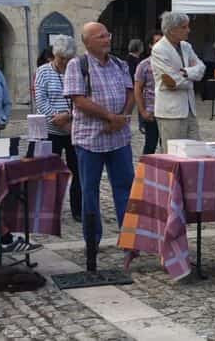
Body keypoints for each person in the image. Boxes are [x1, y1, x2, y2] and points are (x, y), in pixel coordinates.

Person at [63, 22, 134, 271]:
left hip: (118, 137)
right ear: (88, 42)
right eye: (101, 36)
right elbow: (78, 99)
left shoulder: (119, 64)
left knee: (125, 188)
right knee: (89, 191)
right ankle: (92, 241)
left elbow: (130, 92)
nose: (107, 39)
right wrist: (108, 116)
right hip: (90, 138)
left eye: (108, 34)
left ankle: (130, 241)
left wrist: (122, 117)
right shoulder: (77, 65)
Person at [34, 34, 82, 222]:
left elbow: (83, 97)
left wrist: (69, 116)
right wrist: (56, 117)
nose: (64, 62)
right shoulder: (44, 72)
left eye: (68, 59)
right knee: (49, 172)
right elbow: (41, 100)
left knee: (77, 171)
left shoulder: (77, 70)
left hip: (74, 129)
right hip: (51, 130)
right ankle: (48, 209)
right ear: (54, 55)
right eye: (61, 58)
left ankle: (78, 209)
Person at [151, 11, 206, 153]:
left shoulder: (186, 46)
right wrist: (191, 79)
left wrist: (186, 72)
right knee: (173, 153)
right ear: (172, 30)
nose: (188, 30)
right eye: (184, 27)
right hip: (171, 112)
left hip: (189, 109)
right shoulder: (159, 50)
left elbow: (201, 68)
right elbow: (172, 81)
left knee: (194, 151)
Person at [134, 31, 164, 153]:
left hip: (169, 112)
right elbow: (137, 89)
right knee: (150, 145)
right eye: (157, 42)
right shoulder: (144, 65)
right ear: (151, 45)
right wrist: (143, 112)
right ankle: (145, 171)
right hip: (152, 112)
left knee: (168, 147)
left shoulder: (173, 63)